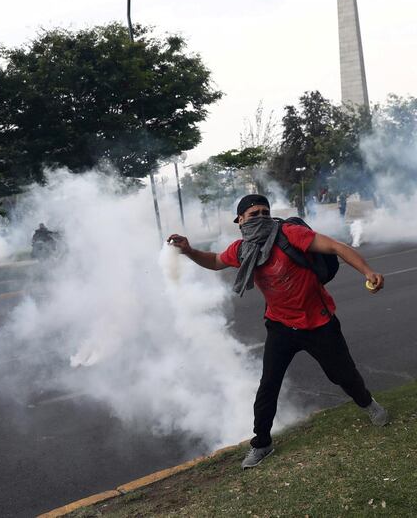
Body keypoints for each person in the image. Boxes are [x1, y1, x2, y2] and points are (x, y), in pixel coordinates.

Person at [167, 194, 389, 470]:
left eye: (265, 212)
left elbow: (336, 247)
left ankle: (368, 404)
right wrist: (188, 250)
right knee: (268, 386)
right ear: (240, 221)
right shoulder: (242, 250)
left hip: (318, 323)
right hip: (281, 326)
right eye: (253, 214)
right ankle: (262, 443)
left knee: (342, 375)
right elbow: (214, 261)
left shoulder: (289, 234)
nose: (260, 217)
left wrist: (367, 271)